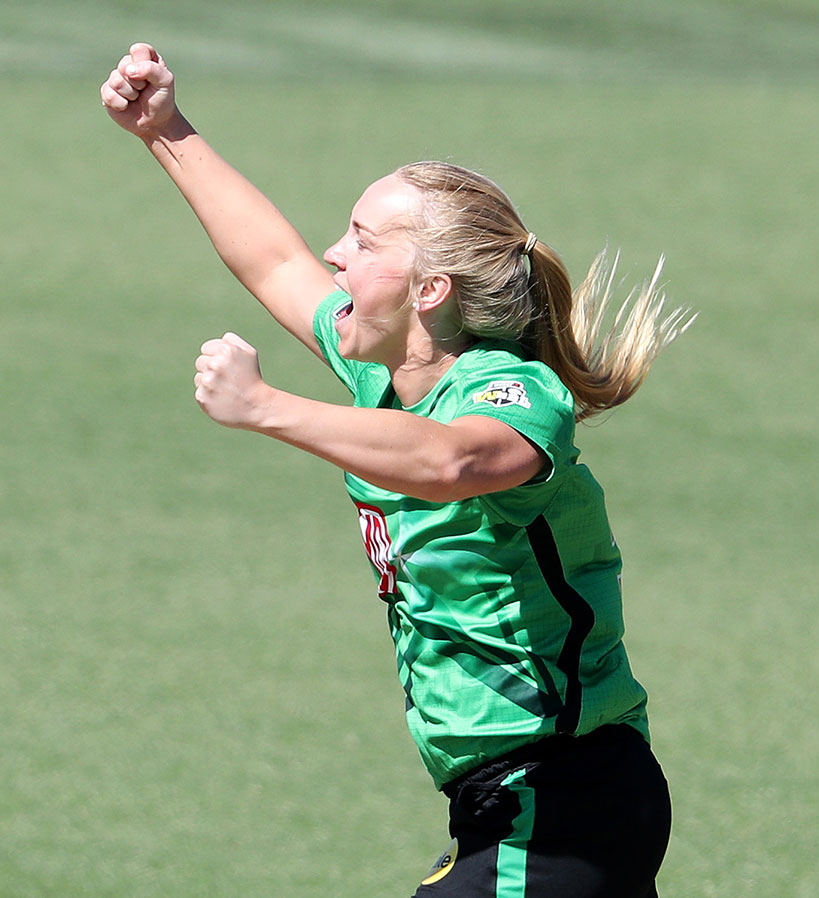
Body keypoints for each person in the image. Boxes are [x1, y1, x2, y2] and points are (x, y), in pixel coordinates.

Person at [102, 43, 689, 898]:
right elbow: (272, 259)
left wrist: (267, 408)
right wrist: (163, 130)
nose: (336, 253)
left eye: (364, 241)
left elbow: (450, 461)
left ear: (429, 292)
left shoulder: (516, 394)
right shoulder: (382, 377)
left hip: (562, 799)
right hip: (511, 807)